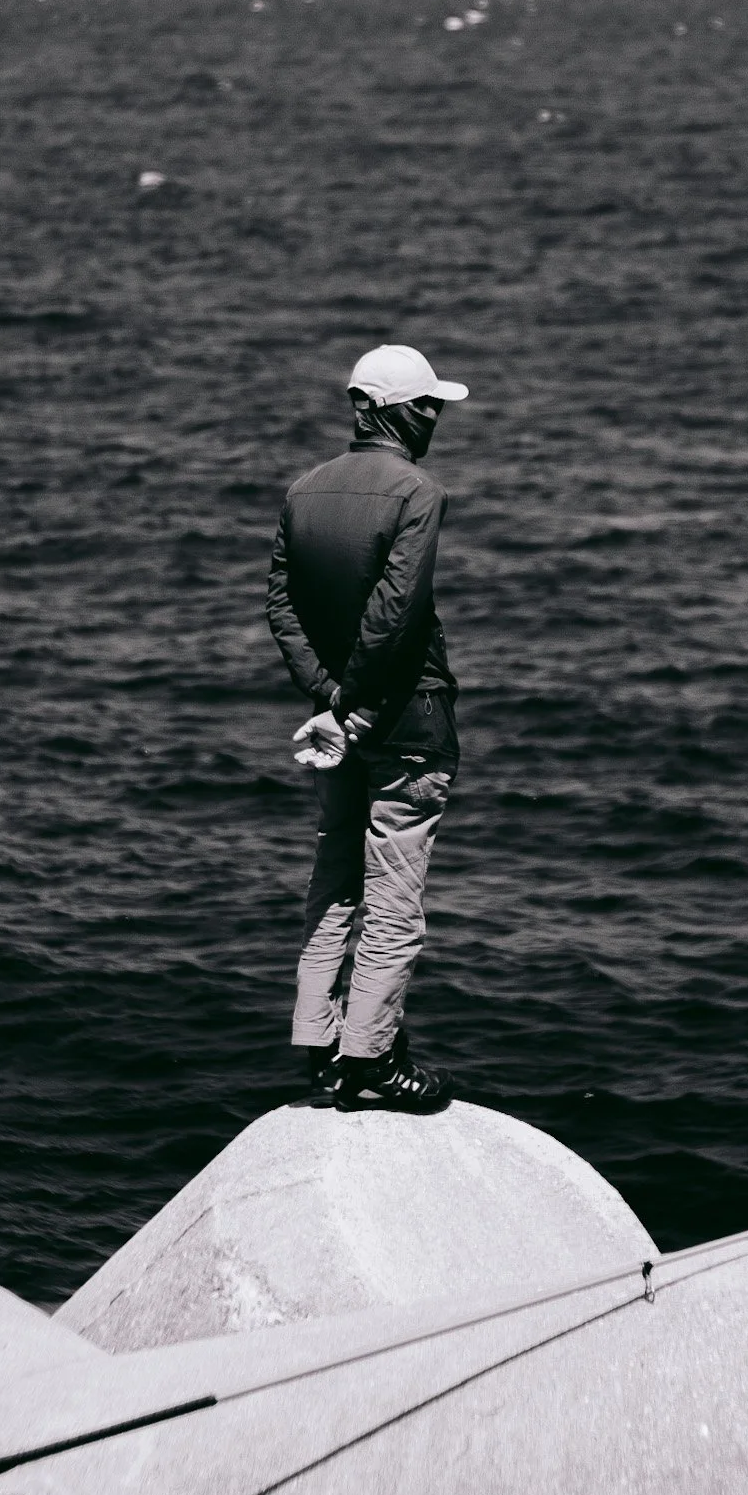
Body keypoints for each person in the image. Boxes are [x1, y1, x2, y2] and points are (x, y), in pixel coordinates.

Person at [266, 344, 469, 1113]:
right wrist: (354, 701)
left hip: (338, 725)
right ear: (401, 411)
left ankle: (318, 1044)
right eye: (432, 407)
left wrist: (326, 699)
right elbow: (397, 612)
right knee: (392, 899)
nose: (437, 420)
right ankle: (372, 1062)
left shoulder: (303, 489)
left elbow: (280, 606)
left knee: (333, 885)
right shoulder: (417, 491)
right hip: (404, 718)